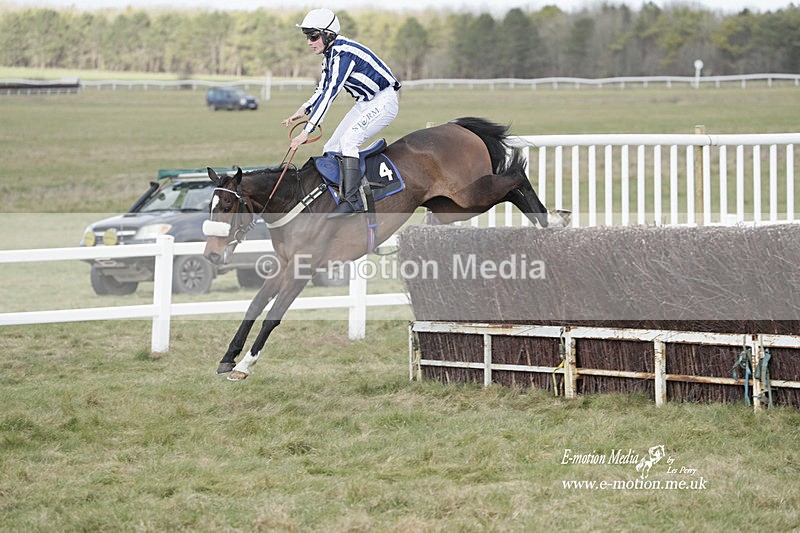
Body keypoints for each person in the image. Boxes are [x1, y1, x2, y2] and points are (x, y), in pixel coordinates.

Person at [282, 8, 401, 218]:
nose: (309, 42)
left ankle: (353, 200)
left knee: (348, 141)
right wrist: (304, 108)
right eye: (307, 37)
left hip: (384, 101)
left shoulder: (343, 54)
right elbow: (322, 88)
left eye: (313, 36)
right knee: (331, 147)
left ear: (328, 35)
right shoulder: (329, 55)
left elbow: (330, 94)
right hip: (365, 102)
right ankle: (336, 197)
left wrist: (306, 132)